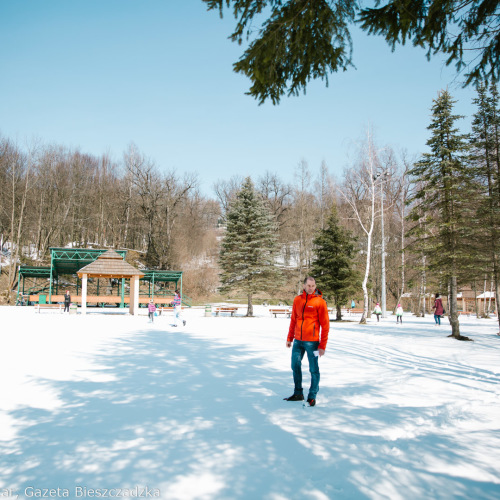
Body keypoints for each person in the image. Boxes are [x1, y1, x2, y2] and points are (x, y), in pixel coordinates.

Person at [284, 276, 329, 407]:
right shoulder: (297, 300)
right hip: (298, 341)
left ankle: (312, 395)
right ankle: (298, 393)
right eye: (308, 286)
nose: (311, 288)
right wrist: (289, 338)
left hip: (313, 343)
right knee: (295, 366)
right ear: (304, 286)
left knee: (314, 369)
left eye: (313, 286)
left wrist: (322, 346)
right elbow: (293, 320)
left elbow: (325, 326)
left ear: (315, 287)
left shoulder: (320, 302)